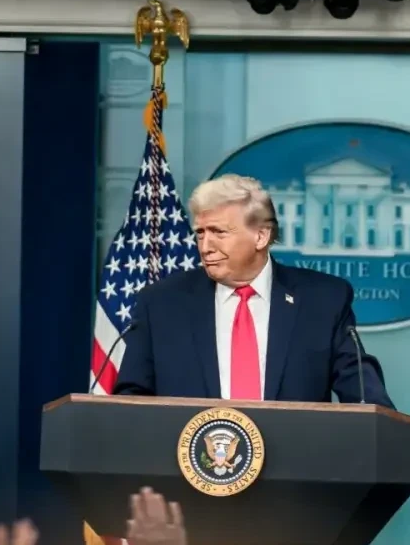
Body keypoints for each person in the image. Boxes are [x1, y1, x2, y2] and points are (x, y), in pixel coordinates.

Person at [114, 173, 393, 408]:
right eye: (200, 233)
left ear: (260, 236)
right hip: (190, 455)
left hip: (295, 456)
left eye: (219, 232)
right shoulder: (162, 303)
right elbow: (131, 398)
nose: (205, 246)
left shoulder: (323, 300)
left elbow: (361, 391)